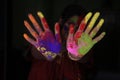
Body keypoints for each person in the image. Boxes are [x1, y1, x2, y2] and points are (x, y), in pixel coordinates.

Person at [23, 4, 106, 80]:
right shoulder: (45, 41)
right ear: (61, 21)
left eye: (79, 27)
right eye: (71, 24)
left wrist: (75, 56)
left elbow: (85, 58)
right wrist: (49, 51)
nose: (73, 30)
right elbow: (34, 52)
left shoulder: (83, 46)